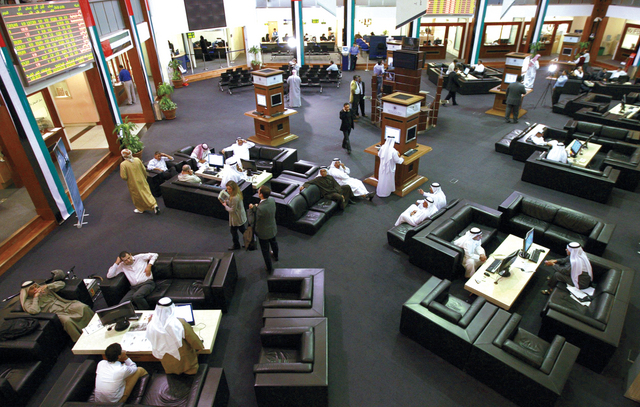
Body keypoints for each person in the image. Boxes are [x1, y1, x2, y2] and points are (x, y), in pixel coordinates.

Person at [20, 280, 94, 342]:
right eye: (32, 289)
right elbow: (34, 311)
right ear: (27, 292)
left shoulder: (43, 289)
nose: (35, 289)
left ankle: (94, 325)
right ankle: (81, 340)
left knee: (82, 307)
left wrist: (48, 286)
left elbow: (61, 284)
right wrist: (35, 298)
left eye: (35, 286)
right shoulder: (28, 302)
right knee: (67, 320)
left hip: (65, 304)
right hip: (56, 313)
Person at [146, 297, 204, 374]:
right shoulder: (179, 323)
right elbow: (193, 340)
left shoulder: (151, 323)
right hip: (185, 362)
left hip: (167, 363)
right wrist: (200, 347)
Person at [120, 149, 159, 215]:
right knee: (147, 192)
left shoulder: (123, 164)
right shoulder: (137, 160)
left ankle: (141, 208)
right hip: (142, 179)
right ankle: (154, 204)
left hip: (133, 182)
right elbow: (144, 169)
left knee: (138, 196)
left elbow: (124, 177)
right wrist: (144, 177)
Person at [249, 186, 279, 272]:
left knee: (265, 250)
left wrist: (251, 209)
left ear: (261, 194)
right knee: (274, 243)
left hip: (263, 233)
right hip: (272, 229)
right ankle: (276, 256)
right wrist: (256, 207)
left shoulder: (260, 209)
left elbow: (251, 220)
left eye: (258, 191)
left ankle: (269, 267)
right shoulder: (272, 200)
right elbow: (263, 210)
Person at [221, 180, 247, 250]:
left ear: (233, 189)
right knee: (242, 230)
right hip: (239, 216)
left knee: (234, 231)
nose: (228, 191)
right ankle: (250, 241)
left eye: (229, 189)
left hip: (237, 217)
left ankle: (237, 245)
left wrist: (225, 206)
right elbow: (233, 204)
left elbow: (232, 210)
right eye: (227, 189)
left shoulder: (234, 197)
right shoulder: (237, 193)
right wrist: (227, 201)